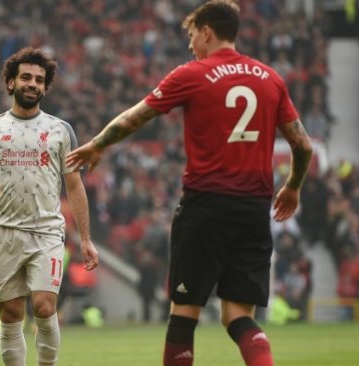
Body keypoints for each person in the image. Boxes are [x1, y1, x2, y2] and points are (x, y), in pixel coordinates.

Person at [66, 1, 313, 366]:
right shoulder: (270, 78)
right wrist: (293, 185)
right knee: (238, 317)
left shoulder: (191, 74)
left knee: (184, 313)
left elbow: (137, 116)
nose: (191, 44)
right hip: (253, 209)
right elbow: (302, 144)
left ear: (207, 31)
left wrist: (98, 144)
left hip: (206, 205)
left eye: (193, 35)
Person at [0, 47, 99, 366]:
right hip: (2, 232)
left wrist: (85, 239)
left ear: (45, 87)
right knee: (11, 313)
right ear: (10, 83)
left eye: (39, 80)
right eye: (26, 77)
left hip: (46, 232)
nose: (32, 84)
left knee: (44, 306)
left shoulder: (61, 130)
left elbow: (74, 186)